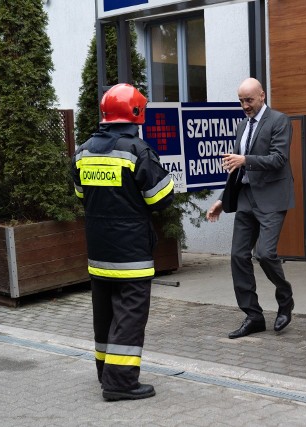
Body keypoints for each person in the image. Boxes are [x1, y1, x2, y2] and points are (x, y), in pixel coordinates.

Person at [72, 83, 175, 400]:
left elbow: (80, 195)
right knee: (129, 315)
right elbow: (160, 197)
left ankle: (106, 372)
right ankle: (120, 383)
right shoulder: (136, 151)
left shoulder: (84, 151)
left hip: (98, 251)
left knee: (104, 314)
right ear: (135, 113)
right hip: (131, 253)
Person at [206, 77, 295, 339]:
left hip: (272, 198)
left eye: (249, 100)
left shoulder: (279, 121)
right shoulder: (242, 126)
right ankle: (253, 315)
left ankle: (285, 299)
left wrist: (245, 159)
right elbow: (236, 169)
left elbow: (279, 159)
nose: (245, 105)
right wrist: (222, 200)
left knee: (266, 254)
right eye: (241, 101)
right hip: (245, 198)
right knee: (237, 256)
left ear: (262, 96)